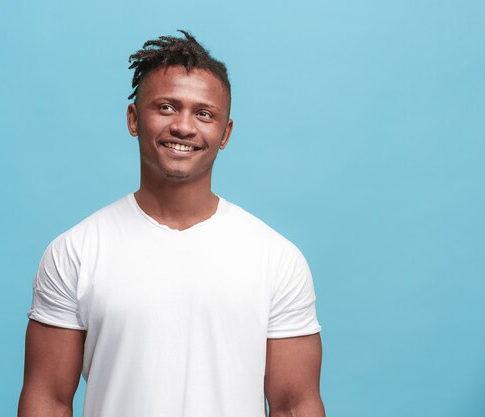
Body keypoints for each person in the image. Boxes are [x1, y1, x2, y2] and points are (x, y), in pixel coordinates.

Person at [18, 30, 325, 417]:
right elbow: (47, 398)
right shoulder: (75, 251)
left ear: (225, 133)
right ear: (133, 119)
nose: (183, 126)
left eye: (204, 113)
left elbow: (294, 404)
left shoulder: (276, 258)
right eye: (165, 107)